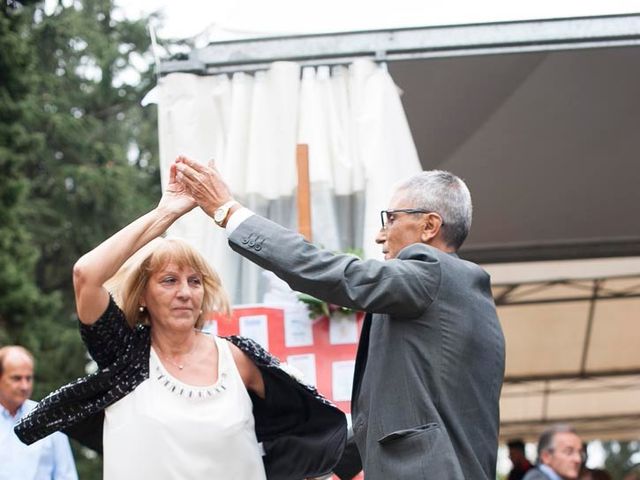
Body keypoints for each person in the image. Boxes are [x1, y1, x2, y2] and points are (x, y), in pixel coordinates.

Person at [174, 156, 506, 480]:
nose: (379, 236)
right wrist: (331, 468)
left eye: (390, 219)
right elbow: (404, 418)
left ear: (430, 226)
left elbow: (335, 274)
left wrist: (229, 212)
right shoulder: (454, 298)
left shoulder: (433, 272)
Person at [15, 160, 347, 479]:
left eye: (195, 281)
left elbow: (303, 425)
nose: (185, 292)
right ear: (143, 295)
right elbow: (86, 275)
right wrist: (166, 213)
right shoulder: (125, 354)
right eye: (169, 281)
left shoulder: (237, 359)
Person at [0, 345, 78, 480]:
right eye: (16, 378)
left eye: (29, 378)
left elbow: (66, 474)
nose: (25, 386)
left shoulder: (48, 417)